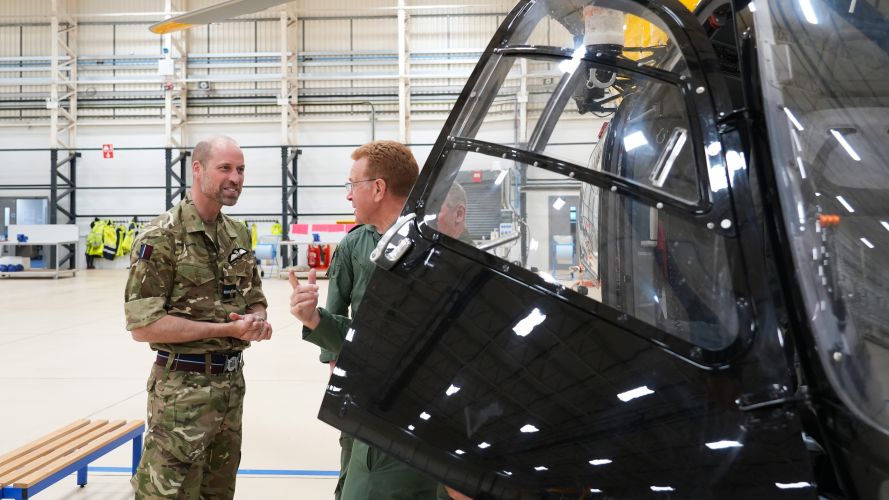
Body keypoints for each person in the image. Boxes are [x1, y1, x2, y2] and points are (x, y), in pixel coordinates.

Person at [289, 140, 442, 499]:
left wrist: (318, 323)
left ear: (378, 188)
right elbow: (360, 325)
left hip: (400, 417)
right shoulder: (366, 244)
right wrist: (318, 325)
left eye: (352, 184)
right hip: (365, 396)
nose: (348, 196)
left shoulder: (430, 252)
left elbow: (384, 342)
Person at [124, 135, 272, 500]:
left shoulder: (236, 233)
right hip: (181, 394)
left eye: (240, 170)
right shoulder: (161, 236)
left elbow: (254, 297)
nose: (235, 177)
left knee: (218, 492)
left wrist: (257, 321)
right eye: (225, 168)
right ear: (198, 169)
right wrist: (227, 329)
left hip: (230, 390)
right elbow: (144, 326)